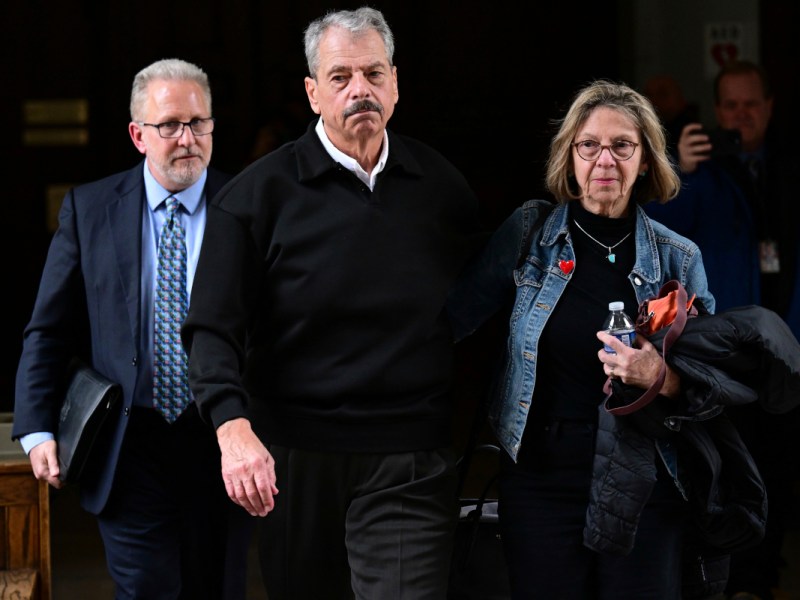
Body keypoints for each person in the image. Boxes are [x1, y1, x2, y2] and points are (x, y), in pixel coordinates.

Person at [181, 7, 480, 600]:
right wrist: (232, 429)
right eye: (340, 77)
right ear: (313, 93)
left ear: (395, 83)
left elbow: (483, 314)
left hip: (409, 454)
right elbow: (211, 330)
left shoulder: (443, 189)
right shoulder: (255, 198)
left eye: (373, 73)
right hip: (296, 458)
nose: (359, 90)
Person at [447, 80, 716, 599]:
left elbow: (712, 389)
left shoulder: (679, 257)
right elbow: (452, 323)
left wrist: (658, 377)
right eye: (588, 145)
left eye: (622, 145)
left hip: (646, 476)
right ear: (570, 157)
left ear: (645, 161)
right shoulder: (530, 235)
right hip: (542, 475)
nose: (604, 159)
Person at [12, 58, 251, 599]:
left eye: (199, 123)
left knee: (219, 588)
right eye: (170, 125)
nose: (187, 138)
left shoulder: (248, 205)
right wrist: (36, 427)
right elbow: (48, 327)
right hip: (129, 441)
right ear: (138, 134)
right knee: (145, 589)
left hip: (221, 439)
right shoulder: (91, 208)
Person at [645, 59, 800, 600]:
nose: (741, 115)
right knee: (729, 467)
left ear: (770, 107)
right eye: (730, 105)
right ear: (715, 112)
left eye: (751, 104)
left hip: (788, 350)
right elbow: (658, 234)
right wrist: (678, 171)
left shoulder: (788, 167)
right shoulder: (701, 173)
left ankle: (761, 580)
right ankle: (729, 582)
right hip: (726, 354)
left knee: (781, 470)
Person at [643, 74, 699, 157]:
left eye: (662, 94)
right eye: (649, 95)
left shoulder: (691, 132)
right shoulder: (641, 131)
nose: (653, 100)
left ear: (681, 99)